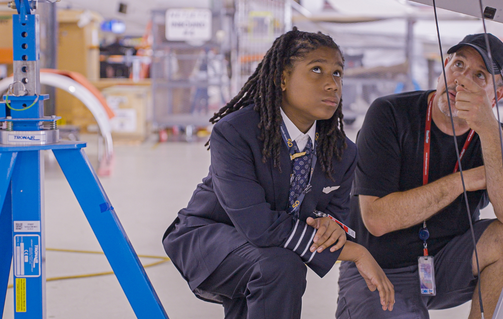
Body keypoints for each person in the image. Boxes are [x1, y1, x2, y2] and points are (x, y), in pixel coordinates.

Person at [162, 28, 394, 319]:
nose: (332, 84)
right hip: (207, 239)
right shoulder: (235, 132)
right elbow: (257, 225)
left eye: (337, 73)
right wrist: (356, 252)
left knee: (276, 267)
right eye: (317, 70)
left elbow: (336, 215)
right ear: (283, 78)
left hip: (269, 252)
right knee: (280, 265)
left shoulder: (343, 152)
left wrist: (332, 228)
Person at [335, 33, 503, 319]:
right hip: (378, 265)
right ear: (444, 66)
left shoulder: (500, 138)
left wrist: (489, 128)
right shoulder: (389, 113)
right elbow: (377, 220)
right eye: (459, 65)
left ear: (497, 95)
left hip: (445, 265)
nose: (461, 80)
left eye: (479, 75)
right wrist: (466, 180)